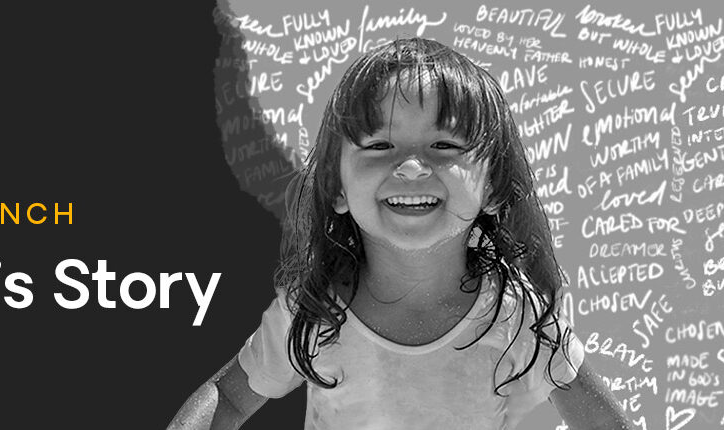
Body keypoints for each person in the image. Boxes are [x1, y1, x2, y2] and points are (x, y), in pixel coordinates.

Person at [169, 37, 632, 429]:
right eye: (380, 145)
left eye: (444, 145)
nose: (410, 167)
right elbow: (227, 399)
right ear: (337, 188)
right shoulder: (314, 312)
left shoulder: (519, 317)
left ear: (493, 187)